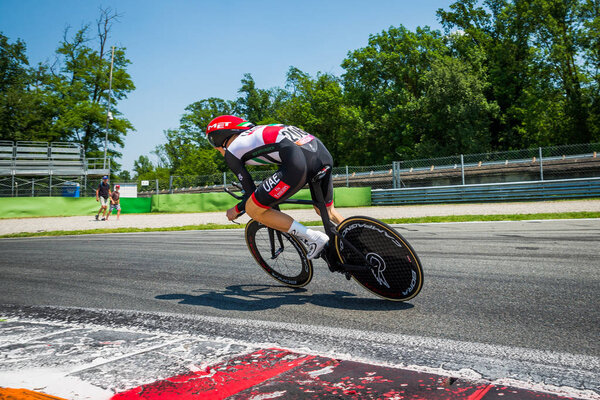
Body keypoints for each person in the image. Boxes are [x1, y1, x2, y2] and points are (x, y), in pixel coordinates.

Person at [206, 115, 344, 259]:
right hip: (321, 153)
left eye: (213, 143)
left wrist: (235, 210)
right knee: (327, 211)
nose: (216, 148)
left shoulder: (232, 151)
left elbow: (250, 193)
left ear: (220, 137)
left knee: (253, 208)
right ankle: (356, 239)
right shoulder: (264, 129)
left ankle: (314, 238)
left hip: (297, 161)